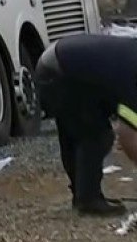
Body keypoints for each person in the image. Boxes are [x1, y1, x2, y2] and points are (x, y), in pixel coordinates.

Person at [34, 33, 137, 215]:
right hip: (60, 70)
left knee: (75, 131)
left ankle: (83, 195)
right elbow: (128, 136)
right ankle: (88, 200)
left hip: (56, 62)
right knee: (97, 135)